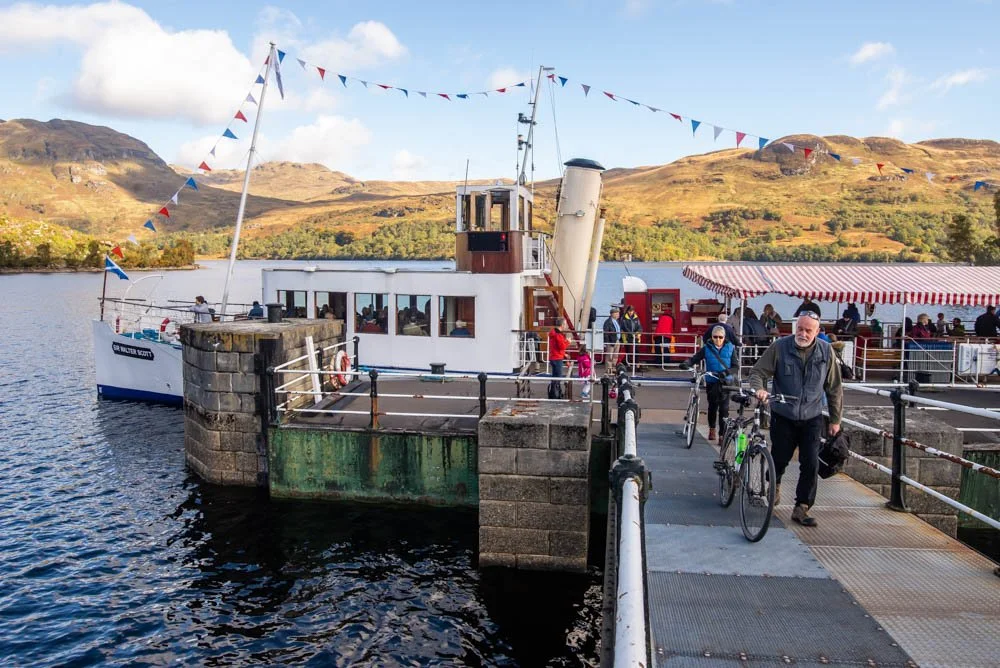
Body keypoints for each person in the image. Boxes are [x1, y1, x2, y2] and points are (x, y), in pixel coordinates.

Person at [749, 312, 843, 528]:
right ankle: (775, 484)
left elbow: (834, 388)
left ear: (818, 332)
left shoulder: (825, 351)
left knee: (810, 463)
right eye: (799, 329)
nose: (802, 333)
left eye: (808, 330)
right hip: (784, 415)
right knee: (779, 458)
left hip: (812, 417)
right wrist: (760, 389)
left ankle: (802, 506)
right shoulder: (780, 347)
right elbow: (757, 372)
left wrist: (836, 420)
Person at [681, 325, 737, 443]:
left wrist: (725, 373)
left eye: (720, 337)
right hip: (712, 381)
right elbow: (694, 359)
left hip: (726, 382)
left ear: (724, 337)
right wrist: (686, 363)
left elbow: (735, 367)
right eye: (715, 337)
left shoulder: (731, 348)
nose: (718, 339)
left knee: (724, 409)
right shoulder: (707, 348)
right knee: (712, 407)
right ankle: (712, 429)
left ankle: (722, 434)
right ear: (711, 337)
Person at [547, 318, 570, 399]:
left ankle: (554, 393)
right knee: (558, 376)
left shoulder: (553, 333)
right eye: (565, 324)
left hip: (553, 356)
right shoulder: (558, 335)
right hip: (557, 358)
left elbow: (556, 347)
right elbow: (562, 346)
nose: (566, 325)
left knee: (555, 376)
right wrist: (568, 342)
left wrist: (564, 354)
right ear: (562, 325)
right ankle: (555, 394)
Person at [602, 306, 623, 375]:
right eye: (616, 313)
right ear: (612, 314)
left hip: (617, 340)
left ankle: (613, 369)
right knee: (609, 357)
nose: (618, 315)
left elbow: (619, 330)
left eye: (618, 313)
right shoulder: (608, 322)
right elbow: (606, 332)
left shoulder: (617, 321)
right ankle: (608, 370)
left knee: (615, 356)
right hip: (611, 341)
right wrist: (607, 342)